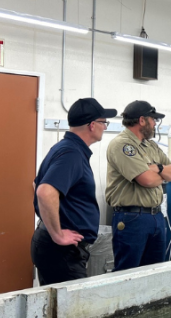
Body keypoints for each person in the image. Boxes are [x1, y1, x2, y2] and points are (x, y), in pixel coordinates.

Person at [31, 98, 117, 285]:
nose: (105, 127)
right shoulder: (72, 154)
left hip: (54, 247)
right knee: (69, 311)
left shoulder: (64, 149)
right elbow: (44, 192)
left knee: (56, 308)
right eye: (104, 122)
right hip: (61, 251)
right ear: (92, 125)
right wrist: (58, 235)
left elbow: (35, 184)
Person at [106, 100, 171, 271]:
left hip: (155, 216)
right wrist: (162, 176)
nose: (155, 124)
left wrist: (158, 168)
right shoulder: (122, 145)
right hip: (131, 219)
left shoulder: (151, 146)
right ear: (142, 120)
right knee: (128, 274)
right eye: (153, 120)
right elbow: (147, 180)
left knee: (154, 273)